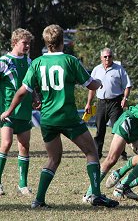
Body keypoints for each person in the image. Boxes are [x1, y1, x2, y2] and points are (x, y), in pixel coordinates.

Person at [0, 24, 118, 208]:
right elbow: (90, 85)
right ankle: (96, 195)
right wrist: (99, 82)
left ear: (46, 42)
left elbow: (22, 91)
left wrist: (8, 111)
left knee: (54, 159)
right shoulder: (70, 61)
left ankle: (38, 200)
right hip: (68, 117)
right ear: (62, 41)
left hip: (47, 119)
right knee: (91, 152)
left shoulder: (37, 63)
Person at [0, 28, 37, 196]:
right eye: (24, 42)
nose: (27, 45)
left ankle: (22, 185)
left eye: (29, 43)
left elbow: (30, 85)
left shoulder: (29, 62)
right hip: (7, 112)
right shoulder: (4, 61)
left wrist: (36, 97)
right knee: (6, 144)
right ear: (15, 42)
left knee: (24, 146)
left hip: (24, 111)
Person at [85, 48, 132, 160]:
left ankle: (121, 153)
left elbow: (127, 86)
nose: (107, 58)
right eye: (105, 56)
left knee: (118, 129)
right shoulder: (96, 70)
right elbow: (91, 89)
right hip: (101, 103)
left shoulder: (119, 69)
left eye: (109, 56)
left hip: (115, 103)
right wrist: (88, 103)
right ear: (101, 58)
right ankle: (97, 153)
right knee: (99, 129)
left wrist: (125, 98)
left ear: (112, 57)